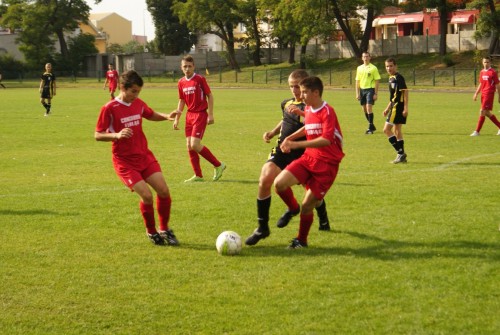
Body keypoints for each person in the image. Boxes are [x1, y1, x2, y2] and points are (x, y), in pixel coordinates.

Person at [245, 70, 332, 246]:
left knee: (312, 195)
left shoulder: (311, 106)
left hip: (303, 153)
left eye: (297, 86)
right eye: (291, 86)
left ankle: (323, 217)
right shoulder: (287, 103)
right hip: (282, 150)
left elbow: (313, 124)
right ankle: (263, 227)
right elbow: (285, 119)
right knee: (265, 179)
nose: (294, 90)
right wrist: (273, 131)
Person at [95, 70, 180, 246]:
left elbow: (149, 114)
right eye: (133, 91)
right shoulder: (109, 108)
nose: (136, 95)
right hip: (125, 162)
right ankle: (151, 231)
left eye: (138, 92)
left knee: (163, 191)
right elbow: (97, 134)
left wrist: (165, 116)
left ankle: (164, 229)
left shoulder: (138, 103)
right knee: (147, 196)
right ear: (122, 87)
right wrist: (116, 135)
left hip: (144, 156)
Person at [274, 76, 345, 249]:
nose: (301, 95)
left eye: (305, 92)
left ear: (316, 92)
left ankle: (301, 241)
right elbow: (308, 126)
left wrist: (295, 144)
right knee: (279, 183)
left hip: (327, 165)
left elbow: (326, 139)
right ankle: (292, 208)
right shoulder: (309, 108)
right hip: (308, 159)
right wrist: (289, 138)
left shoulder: (328, 111)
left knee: (308, 205)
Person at [173, 55, 226, 182]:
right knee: (189, 146)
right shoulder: (181, 82)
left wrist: (211, 114)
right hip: (189, 115)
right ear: (181, 68)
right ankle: (198, 175)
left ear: (194, 66)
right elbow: (181, 101)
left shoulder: (200, 79)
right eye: (184, 66)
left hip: (200, 114)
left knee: (195, 144)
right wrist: (177, 118)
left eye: (189, 66)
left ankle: (218, 165)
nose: (187, 69)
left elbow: (210, 96)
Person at [382, 57, 409, 164]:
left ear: (395, 66)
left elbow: (405, 92)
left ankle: (400, 153)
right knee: (396, 131)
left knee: (386, 130)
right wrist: (387, 108)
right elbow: (393, 96)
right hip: (394, 107)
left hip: (398, 108)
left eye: (391, 66)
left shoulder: (398, 78)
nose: (389, 68)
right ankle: (401, 155)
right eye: (387, 66)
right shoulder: (391, 78)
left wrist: (406, 108)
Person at [470, 56, 500, 136]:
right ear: (482, 63)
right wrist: (476, 93)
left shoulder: (493, 72)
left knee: (482, 111)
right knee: (487, 113)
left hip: (489, 94)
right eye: (484, 62)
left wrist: (499, 96)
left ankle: (477, 131)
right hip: (483, 94)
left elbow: (497, 85)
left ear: (490, 63)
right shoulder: (482, 72)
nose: (486, 63)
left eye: (487, 62)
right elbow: (481, 83)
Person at [355, 52, 381, 134]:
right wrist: (357, 93)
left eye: (367, 56)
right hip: (362, 90)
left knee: (369, 107)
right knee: (364, 109)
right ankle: (372, 125)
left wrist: (376, 93)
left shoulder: (373, 68)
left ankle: (370, 127)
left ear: (370, 58)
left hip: (370, 89)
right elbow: (357, 81)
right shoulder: (359, 68)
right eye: (364, 56)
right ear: (362, 58)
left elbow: (377, 81)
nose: (365, 58)